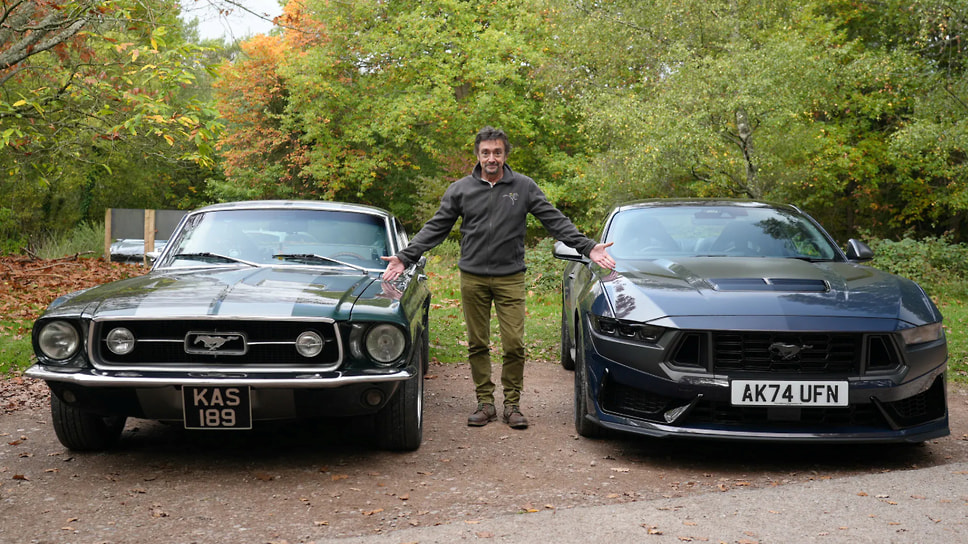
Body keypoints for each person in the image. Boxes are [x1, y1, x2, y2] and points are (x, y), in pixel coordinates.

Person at [382, 126, 614, 429]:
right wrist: (405, 256)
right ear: (478, 155)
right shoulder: (461, 189)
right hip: (473, 278)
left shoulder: (525, 187)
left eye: (497, 152)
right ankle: (485, 403)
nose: (491, 158)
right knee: (477, 344)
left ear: (505, 155)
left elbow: (554, 221)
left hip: (510, 278)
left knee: (514, 344)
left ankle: (513, 405)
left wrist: (588, 247)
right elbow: (436, 227)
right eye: (486, 152)